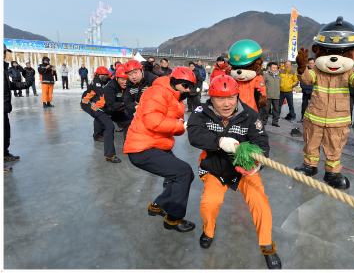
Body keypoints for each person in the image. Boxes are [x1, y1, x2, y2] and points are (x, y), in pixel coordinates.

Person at [187, 75, 281, 269]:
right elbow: (195, 135)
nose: (227, 103)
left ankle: (266, 245)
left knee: (260, 203)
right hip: (214, 167)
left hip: (243, 170)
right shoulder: (200, 112)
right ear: (211, 97)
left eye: (231, 97)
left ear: (237, 96)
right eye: (220, 98)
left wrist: (256, 164)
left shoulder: (250, 115)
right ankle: (209, 230)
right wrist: (219, 142)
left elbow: (261, 143)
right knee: (209, 203)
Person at [123, 67, 197, 232]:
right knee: (183, 172)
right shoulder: (157, 92)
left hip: (156, 144)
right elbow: (153, 121)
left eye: (191, 86)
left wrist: (184, 126)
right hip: (142, 148)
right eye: (185, 85)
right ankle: (174, 219)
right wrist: (181, 125)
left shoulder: (176, 99)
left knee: (185, 175)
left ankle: (158, 205)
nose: (188, 89)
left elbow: (175, 129)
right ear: (174, 81)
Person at [89, 67, 133, 163]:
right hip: (98, 109)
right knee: (109, 126)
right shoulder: (110, 87)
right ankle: (109, 155)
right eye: (122, 79)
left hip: (110, 109)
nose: (125, 82)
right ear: (116, 79)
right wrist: (126, 103)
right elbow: (112, 106)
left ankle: (127, 146)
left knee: (129, 122)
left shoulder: (129, 86)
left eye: (127, 79)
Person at [4, 44, 33, 172]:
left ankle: (4, 154)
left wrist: (23, 85)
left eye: (5, 52)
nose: (4, 54)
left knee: (5, 133)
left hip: (4, 108)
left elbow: (8, 84)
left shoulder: (3, 68)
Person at [80, 66, 111, 144]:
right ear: (98, 75)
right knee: (98, 115)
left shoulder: (101, 79)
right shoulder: (97, 83)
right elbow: (102, 93)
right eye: (103, 76)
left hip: (92, 101)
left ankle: (100, 132)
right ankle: (97, 136)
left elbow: (110, 80)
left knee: (101, 114)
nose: (105, 77)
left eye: (106, 75)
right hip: (86, 103)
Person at [263, 62, 281, 127]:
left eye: (276, 68)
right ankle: (264, 121)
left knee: (276, 110)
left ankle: (275, 122)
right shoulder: (266, 76)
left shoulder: (279, 76)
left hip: (276, 96)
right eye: (273, 68)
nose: (275, 69)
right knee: (266, 109)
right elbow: (263, 85)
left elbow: (279, 85)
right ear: (269, 68)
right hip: (268, 95)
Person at [298, 58, 315, 123]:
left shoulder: (317, 71)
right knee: (304, 106)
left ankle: (312, 120)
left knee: (313, 106)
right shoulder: (305, 70)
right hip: (305, 90)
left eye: (312, 63)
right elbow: (301, 79)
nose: (311, 64)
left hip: (313, 92)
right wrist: (303, 86)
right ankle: (303, 118)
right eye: (309, 63)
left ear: (314, 63)